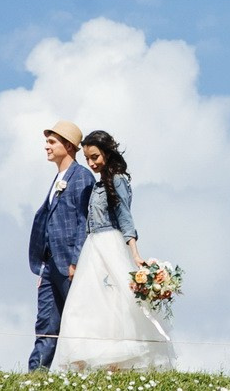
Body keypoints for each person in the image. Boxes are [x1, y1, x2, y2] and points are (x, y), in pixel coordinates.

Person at [51, 130, 175, 371]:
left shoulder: (118, 180)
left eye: (95, 157)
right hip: (92, 247)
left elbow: (125, 217)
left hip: (110, 243)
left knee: (116, 303)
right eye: (87, 158)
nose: (91, 163)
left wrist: (135, 253)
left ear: (107, 153)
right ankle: (84, 355)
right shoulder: (98, 184)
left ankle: (116, 361)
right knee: (85, 302)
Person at [28, 120, 95, 372]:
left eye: (52, 141)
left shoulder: (82, 177)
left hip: (70, 264)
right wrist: (43, 266)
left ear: (68, 145)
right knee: (45, 322)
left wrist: (76, 261)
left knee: (79, 320)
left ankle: (86, 371)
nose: (46, 146)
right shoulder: (57, 178)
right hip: (49, 266)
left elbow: (83, 221)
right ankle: (36, 374)